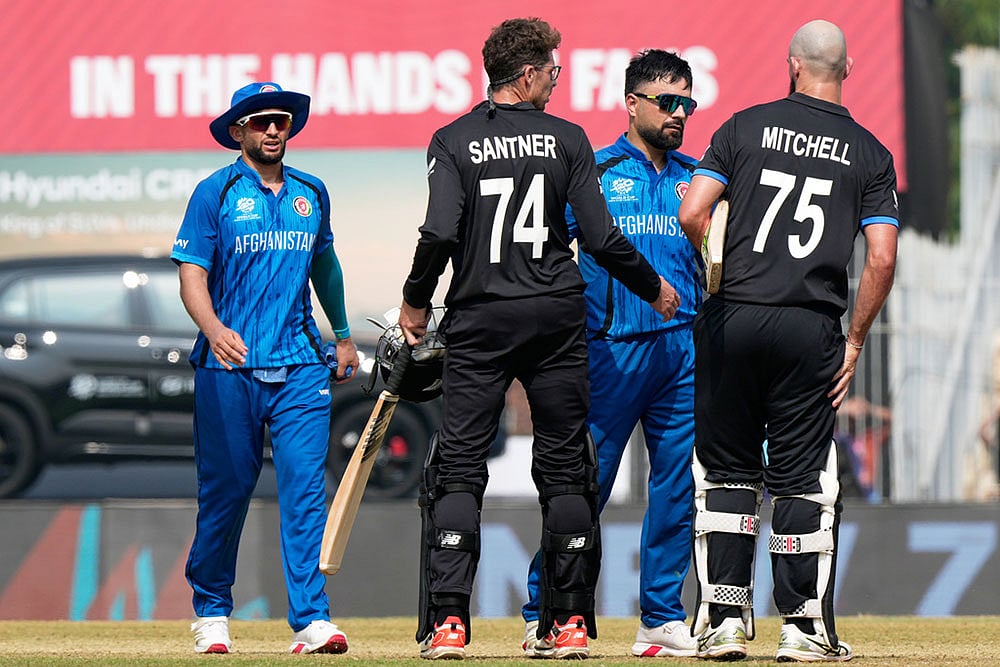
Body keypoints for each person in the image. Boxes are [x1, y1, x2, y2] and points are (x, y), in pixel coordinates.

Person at [397, 17, 680, 661]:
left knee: (460, 469)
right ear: (526, 75)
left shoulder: (452, 139)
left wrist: (416, 302)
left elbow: (439, 233)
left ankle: (449, 624)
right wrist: (654, 287)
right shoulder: (569, 140)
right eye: (553, 69)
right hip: (556, 315)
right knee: (565, 470)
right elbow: (603, 241)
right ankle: (570, 623)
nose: (557, 78)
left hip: (480, 317)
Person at [678, 20, 898, 662]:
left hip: (734, 317)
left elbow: (694, 212)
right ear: (848, 70)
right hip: (810, 326)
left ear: (792, 65)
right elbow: (881, 259)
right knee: (803, 481)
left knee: (726, 473)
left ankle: (722, 621)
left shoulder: (743, 126)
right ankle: (802, 628)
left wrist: (713, 264)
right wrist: (854, 340)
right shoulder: (869, 152)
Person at [520, 49, 700, 658]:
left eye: (687, 103)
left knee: (675, 488)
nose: (678, 113)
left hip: (681, 355)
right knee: (582, 488)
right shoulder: (591, 172)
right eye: (666, 101)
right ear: (631, 103)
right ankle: (545, 609)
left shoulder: (697, 179)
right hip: (609, 353)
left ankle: (661, 616)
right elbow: (542, 254)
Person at [171, 82, 360, 655]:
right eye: (260, 122)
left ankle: (310, 620)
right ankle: (211, 610)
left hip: (301, 362)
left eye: (280, 120)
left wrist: (345, 337)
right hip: (229, 366)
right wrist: (213, 329)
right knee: (226, 492)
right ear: (238, 132)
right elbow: (191, 274)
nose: (273, 129)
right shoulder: (215, 191)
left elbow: (324, 266)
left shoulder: (311, 191)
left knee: (305, 492)